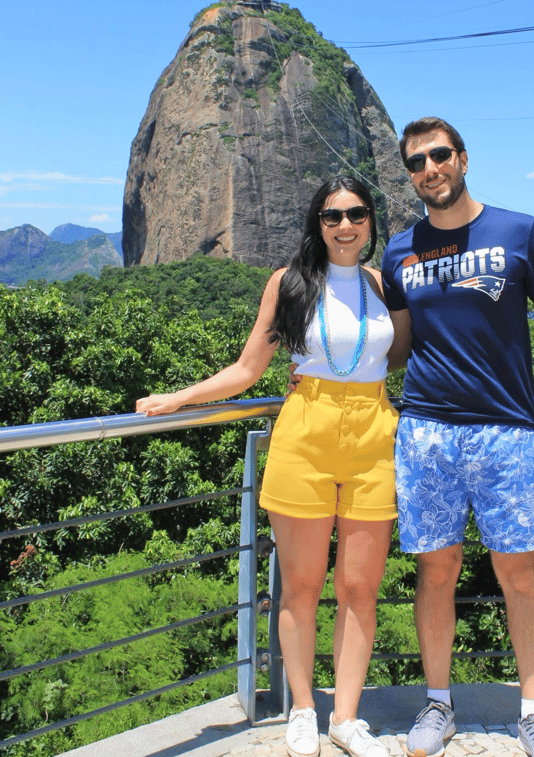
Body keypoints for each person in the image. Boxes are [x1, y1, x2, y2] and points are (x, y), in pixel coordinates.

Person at [137, 176, 406, 757]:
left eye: (356, 214)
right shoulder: (289, 283)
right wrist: (179, 398)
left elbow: (406, 353)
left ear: (370, 221)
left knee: (360, 589)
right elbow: (247, 368)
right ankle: (304, 709)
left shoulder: (384, 285)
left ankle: (347, 717)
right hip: (304, 433)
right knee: (301, 588)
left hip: (374, 435)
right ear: (317, 223)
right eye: (332, 216)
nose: (345, 225)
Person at [379, 117, 534, 757]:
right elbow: (397, 347)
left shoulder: (519, 231)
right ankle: (438, 704)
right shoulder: (398, 251)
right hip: (426, 431)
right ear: (409, 174)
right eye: (417, 162)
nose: (430, 169)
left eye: (440, 155)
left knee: (519, 572)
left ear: (463, 159)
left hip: (506, 431)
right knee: (435, 571)